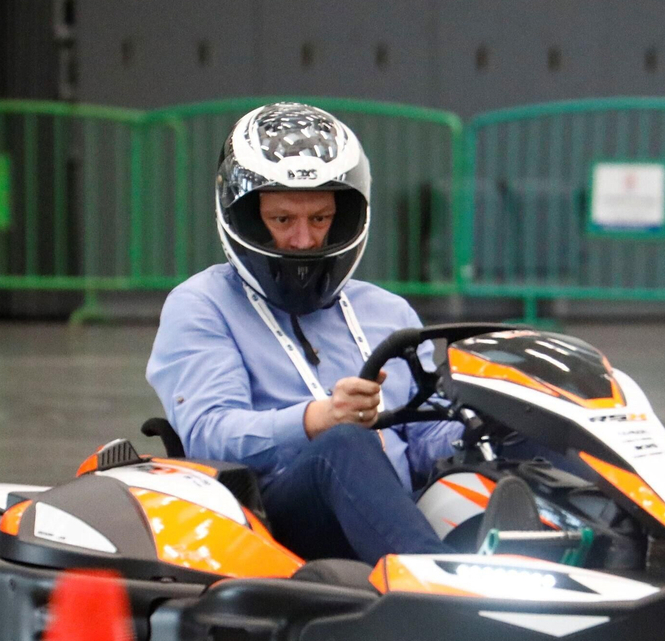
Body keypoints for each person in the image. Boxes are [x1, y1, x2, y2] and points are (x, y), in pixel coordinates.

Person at [145, 102, 463, 565]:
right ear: (248, 218)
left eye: (320, 219)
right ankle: (446, 595)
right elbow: (209, 434)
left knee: (506, 448)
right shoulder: (202, 305)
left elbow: (424, 437)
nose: (304, 241)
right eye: (282, 220)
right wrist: (318, 419)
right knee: (345, 444)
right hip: (275, 520)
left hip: (396, 508)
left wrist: (484, 426)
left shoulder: (387, 310)